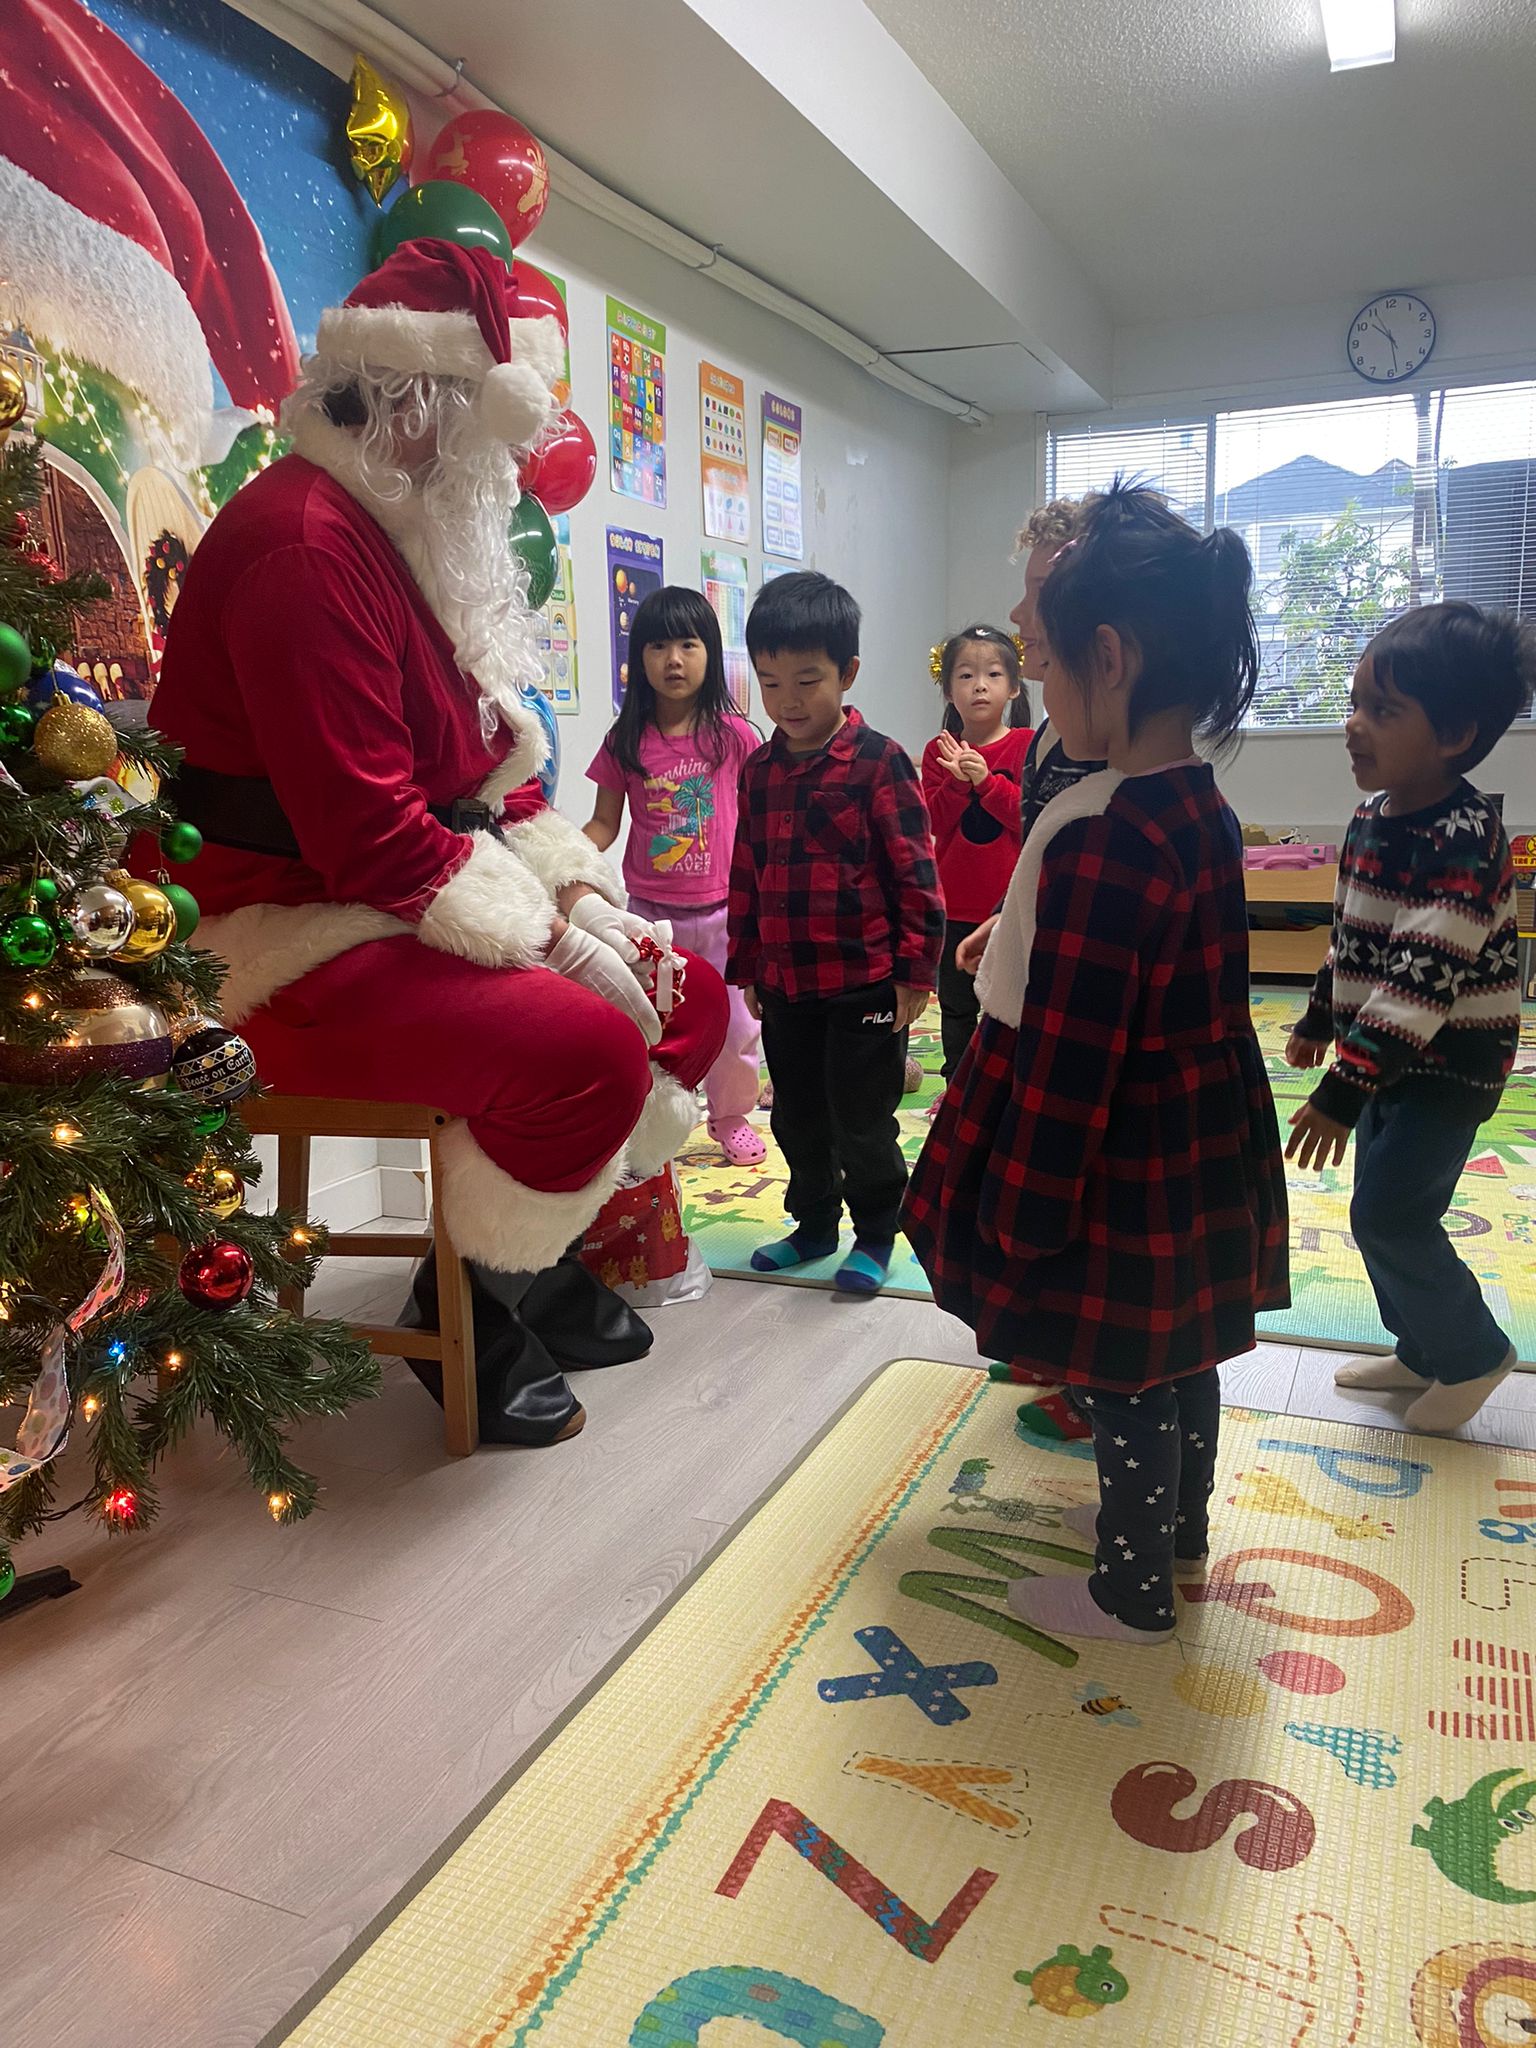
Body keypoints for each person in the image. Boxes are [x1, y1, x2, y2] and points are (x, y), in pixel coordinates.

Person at [151, 238, 727, 1450]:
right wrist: (558, 950)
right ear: (426, 408)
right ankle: (470, 1293)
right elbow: (371, 838)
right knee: (582, 1050)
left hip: (391, 896)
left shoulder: (397, 528)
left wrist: (587, 897)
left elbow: (477, 782)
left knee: (693, 999)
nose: (505, 472)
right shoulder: (308, 545)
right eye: (491, 436)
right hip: (278, 938)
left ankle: (530, 1257)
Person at [903, 482, 1289, 1643]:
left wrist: (1025, 1202)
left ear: (1108, 658)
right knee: (1187, 1343)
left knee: (1122, 1365)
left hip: (1117, 1150)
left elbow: (1070, 1055)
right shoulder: (1198, 806)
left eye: (1046, 659)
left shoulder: (1107, 837)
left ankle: (1129, 1588)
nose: (1035, 680)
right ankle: (1177, 1529)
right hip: (1200, 1134)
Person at [1285, 602, 1532, 1433]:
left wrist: (1345, 1088)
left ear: (1456, 733)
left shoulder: (1463, 836)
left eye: (1382, 711)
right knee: (1377, 1208)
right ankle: (1421, 1348)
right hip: (1389, 1058)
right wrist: (1322, 1016)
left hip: (1450, 1065)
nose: (1355, 726)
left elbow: (1420, 982)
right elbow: (1356, 940)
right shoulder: (1370, 818)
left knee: (1391, 1215)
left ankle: (1470, 1353)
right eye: (1355, 704)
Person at [727, 570, 943, 1296]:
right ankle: (814, 1224)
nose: (788, 700)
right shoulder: (757, 773)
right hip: (788, 982)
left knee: (863, 1119)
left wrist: (917, 974)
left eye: (807, 680)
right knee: (798, 1114)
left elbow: (916, 873)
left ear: (848, 673)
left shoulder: (881, 763)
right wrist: (748, 965)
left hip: (865, 982)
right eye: (770, 682)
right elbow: (747, 873)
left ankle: (877, 1232)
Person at [583, 587, 765, 1167]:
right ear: (639, 659)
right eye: (658, 646)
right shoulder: (625, 740)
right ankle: (652, 1124)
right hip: (648, 916)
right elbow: (604, 824)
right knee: (649, 1023)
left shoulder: (734, 737)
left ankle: (730, 1115)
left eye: (688, 644)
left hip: (723, 914)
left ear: (710, 653)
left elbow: (758, 819)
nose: (674, 660)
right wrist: (562, 856)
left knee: (736, 1026)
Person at [950, 499, 1107, 985]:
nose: (1017, 613)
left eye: (1039, 591)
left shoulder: (1134, 775)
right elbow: (1037, 861)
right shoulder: (1047, 744)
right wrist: (1005, 916)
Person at [921, 625, 1032, 1079]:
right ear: (948, 690)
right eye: (965, 675)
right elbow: (932, 823)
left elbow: (1029, 818)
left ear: (1013, 686)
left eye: (992, 674)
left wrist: (985, 782)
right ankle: (958, 1084)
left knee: (1012, 1001)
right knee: (957, 1003)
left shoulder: (1027, 745)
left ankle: (1012, 1084)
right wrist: (954, 778)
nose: (980, 685)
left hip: (1011, 906)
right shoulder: (936, 752)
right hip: (955, 905)